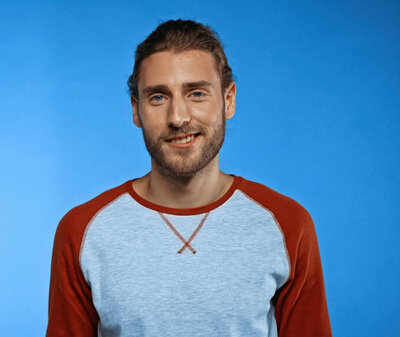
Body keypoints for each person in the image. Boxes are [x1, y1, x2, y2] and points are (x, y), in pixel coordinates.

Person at [46, 19, 332, 337]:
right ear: (136, 110)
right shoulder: (83, 231)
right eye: (158, 97)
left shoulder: (288, 224)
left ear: (228, 100)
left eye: (196, 93)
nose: (178, 117)